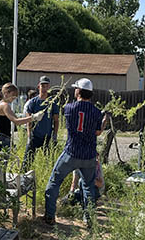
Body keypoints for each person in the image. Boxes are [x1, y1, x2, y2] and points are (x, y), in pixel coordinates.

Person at [44, 77, 103, 225]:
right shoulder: (97, 112)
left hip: (71, 152)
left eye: (76, 88)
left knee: (55, 181)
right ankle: (88, 219)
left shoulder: (69, 108)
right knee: (88, 187)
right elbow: (97, 132)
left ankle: (50, 215)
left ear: (79, 91)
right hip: (88, 155)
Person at [0, 83, 43, 153]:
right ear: (6, 93)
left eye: (15, 96)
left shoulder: (1, 104)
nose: (14, 98)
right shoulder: (4, 105)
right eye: (13, 95)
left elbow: (17, 119)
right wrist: (33, 117)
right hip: (1, 139)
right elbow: (16, 121)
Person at [22, 76, 59, 168]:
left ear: (49, 87)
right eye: (43, 86)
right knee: (27, 161)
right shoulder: (33, 102)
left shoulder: (52, 102)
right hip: (35, 135)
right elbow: (28, 119)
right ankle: (23, 174)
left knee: (49, 162)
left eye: (46, 86)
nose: (44, 88)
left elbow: (56, 120)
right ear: (39, 86)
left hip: (47, 136)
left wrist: (55, 135)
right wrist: (29, 135)